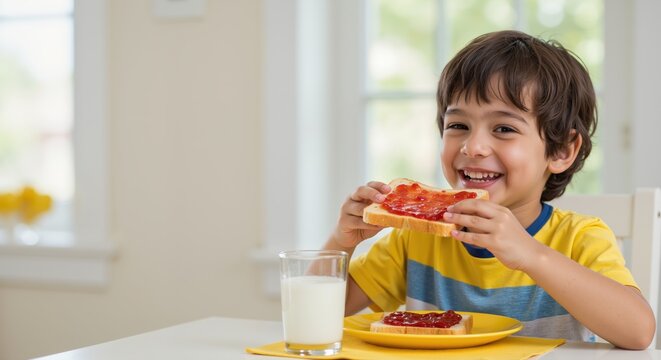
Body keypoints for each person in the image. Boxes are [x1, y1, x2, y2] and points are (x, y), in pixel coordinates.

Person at [323, 30, 655, 349]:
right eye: (458, 126)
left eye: (504, 128)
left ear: (561, 151)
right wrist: (342, 242)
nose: (474, 146)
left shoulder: (581, 238)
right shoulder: (415, 240)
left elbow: (638, 332)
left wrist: (530, 254)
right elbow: (321, 315)